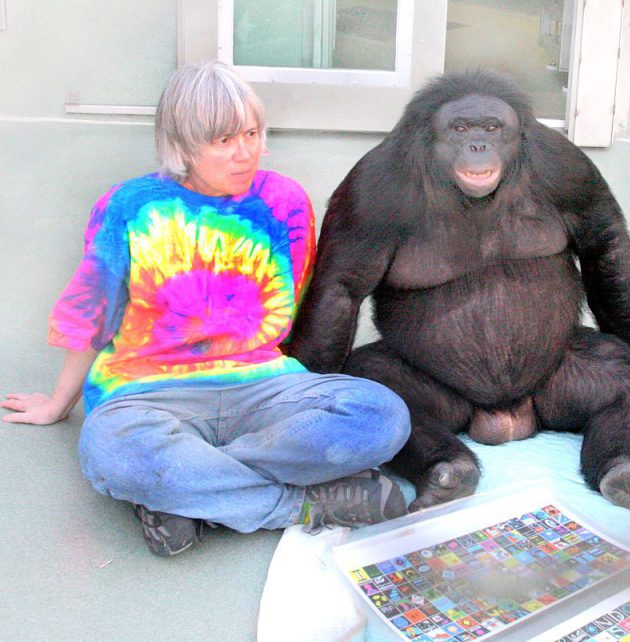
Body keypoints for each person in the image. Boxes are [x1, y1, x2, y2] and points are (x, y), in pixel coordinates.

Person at [1, 61, 412, 556]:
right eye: (222, 141)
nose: (245, 153)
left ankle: (186, 495)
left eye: (253, 133)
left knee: (380, 415)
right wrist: (57, 405)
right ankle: (303, 506)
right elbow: (93, 312)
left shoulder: (285, 201)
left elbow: (295, 304)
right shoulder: (130, 206)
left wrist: (297, 387)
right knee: (113, 453)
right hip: (148, 393)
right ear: (182, 145)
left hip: (262, 388)